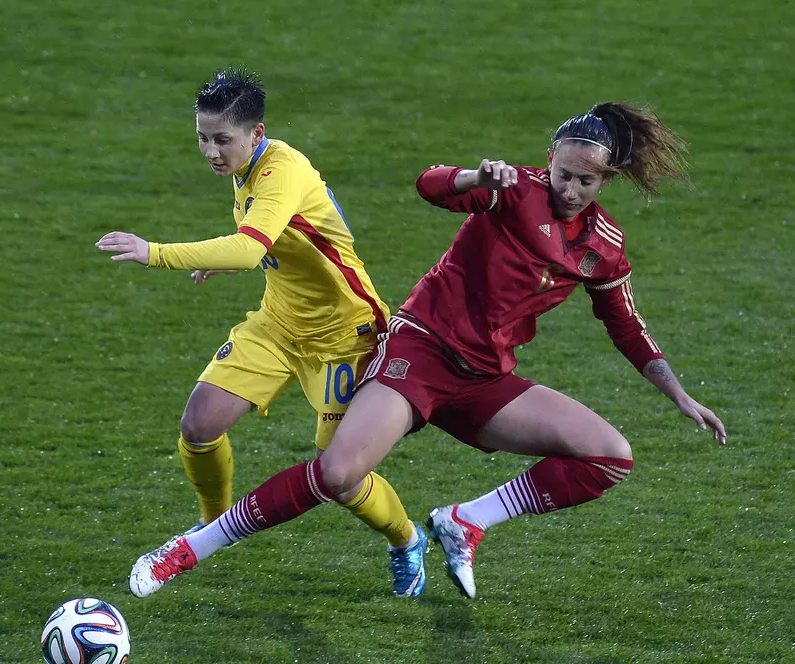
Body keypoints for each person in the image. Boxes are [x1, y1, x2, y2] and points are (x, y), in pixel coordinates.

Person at [128, 102, 726, 599]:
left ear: (606, 180)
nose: (569, 188)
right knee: (338, 472)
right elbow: (429, 185)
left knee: (610, 456)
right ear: (548, 161)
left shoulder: (605, 247)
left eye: (585, 180)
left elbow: (625, 325)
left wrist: (677, 393)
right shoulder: (513, 189)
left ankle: (466, 521)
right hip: (420, 351)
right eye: (562, 173)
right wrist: (474, 177)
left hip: (485, 379)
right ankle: (187, 550)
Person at [96, 68, 427, 598]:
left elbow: (250, 245)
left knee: (339, 473)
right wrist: (225, 262)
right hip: (278, 323)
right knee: (200, 423)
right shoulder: (246, 168)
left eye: (222, 139)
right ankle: (211, 529)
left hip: (345, 335)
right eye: (202, 137)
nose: (210, 150)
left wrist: (154, 252)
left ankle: (406, 540)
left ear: (257, 133)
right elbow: (279, 239)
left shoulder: (280, 170)